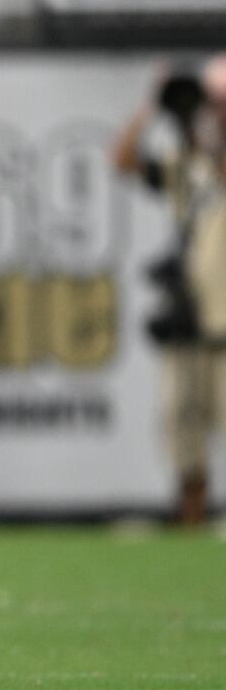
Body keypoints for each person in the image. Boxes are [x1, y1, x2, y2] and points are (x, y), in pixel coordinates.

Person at [113, 56, 226, 526]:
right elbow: (122, 160)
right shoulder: (186, 163)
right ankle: (191, 519)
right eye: (213, 102)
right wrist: (153, 104)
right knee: (182, 424)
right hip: (190, 318)